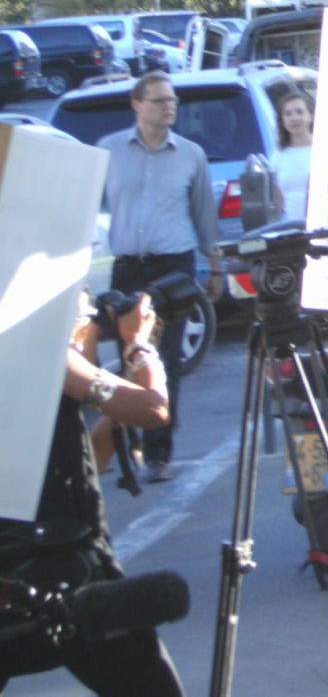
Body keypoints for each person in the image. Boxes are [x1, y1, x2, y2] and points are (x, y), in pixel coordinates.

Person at [0, 291, 184, 695]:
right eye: (84, 314)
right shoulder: (40, 353)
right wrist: (140, 346)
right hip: (65, 574)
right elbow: (154, 410)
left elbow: (85, 465)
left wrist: (113, 411)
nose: (90, 327)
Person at [98, 71, 223, 484]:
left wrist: (216, 267)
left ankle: (158, 453)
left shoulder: (191, 155)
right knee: (129, 359)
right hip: (128, 266)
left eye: (172, 100)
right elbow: (84, 208)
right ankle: (127, 443)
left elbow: (205, 217)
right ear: (137, 105)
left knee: (165, 358)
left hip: (173, 266)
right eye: (159, 100)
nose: (169, 106)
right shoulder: (109, 150)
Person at [268, 89, 314, 222]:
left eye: (299, 112)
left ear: (310, 115)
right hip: (290, 228)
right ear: (282, 120)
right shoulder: (277, 156)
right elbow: (278, 201)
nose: (294, 118)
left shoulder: (323, 150)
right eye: (288, 114)